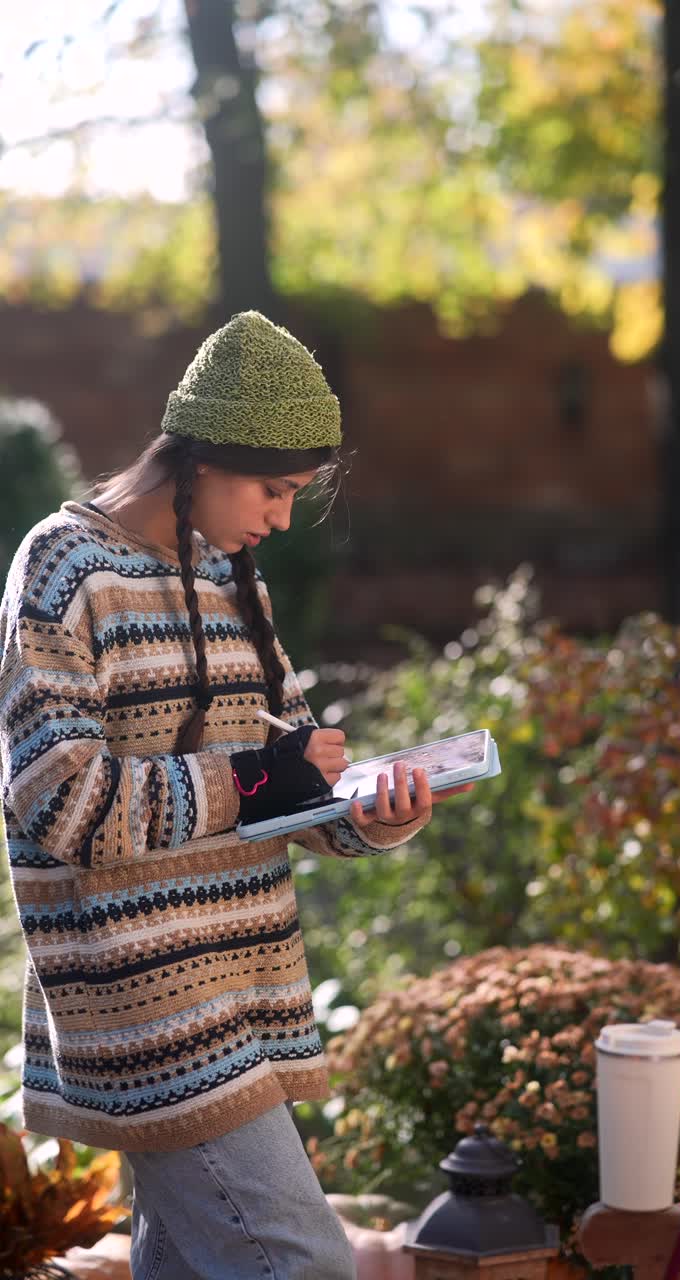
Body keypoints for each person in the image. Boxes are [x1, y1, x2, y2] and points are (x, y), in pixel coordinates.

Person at [0, 311, 473, 1280]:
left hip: (243, 983)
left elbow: (287, 770)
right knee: (306, 1262)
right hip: (152, 1005)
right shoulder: (61, 567)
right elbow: (60, 801)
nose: (282, 517)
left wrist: (367, 812)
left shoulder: (230, 581)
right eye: (275, 488)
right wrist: (253, 776)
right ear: (201, 459)